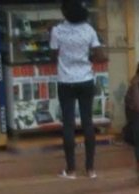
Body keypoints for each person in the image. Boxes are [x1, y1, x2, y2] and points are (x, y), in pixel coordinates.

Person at [51, 0, 107, 179]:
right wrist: (86, 58)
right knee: (87, 123)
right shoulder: (89, 30)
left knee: (68, 124)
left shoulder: (57, 31)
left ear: (65, 12)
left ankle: (71, 170)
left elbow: (53, 54)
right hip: (86, 80)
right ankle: (90, 169)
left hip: (65, 81)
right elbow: (100, 55)